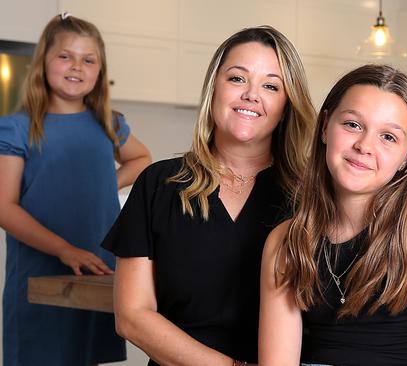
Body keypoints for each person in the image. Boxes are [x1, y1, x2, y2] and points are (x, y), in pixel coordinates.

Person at [101, 26, 316, 365]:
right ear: (214, 85)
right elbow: (132, 316)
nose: (251, 95)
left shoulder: (311, 197)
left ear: (287, 105)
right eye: (237, 78)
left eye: (271, 86)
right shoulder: (158, 184)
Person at [259, 64, 407, 365]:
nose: (364, 146)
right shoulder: (284, 242)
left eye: (388, 137)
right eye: (353, 125)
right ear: (325, 127)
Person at [0, 13, 151, 366]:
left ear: (100, 70)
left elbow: (142, 159)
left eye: (88, 59)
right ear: (43, 62)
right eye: (65, 56)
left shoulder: (108, 123)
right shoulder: (17, 129)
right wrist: (64, 250)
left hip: (97, 272)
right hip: (40, 277)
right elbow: (4, 207)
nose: (76, 66)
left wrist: (102, 186)